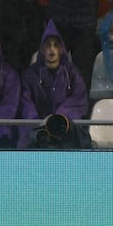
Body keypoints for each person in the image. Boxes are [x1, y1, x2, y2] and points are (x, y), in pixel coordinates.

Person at [19, 20, 90, 149]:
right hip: (37, 128)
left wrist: (57, 118)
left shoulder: (73, 73)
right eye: (48, 45)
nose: (52, 50)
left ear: (61, 49)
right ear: (42, 49)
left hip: (64, 125)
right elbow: (26, 103)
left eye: (56, 45)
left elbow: (79, 100)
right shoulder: (30, 75)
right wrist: (38, 122)